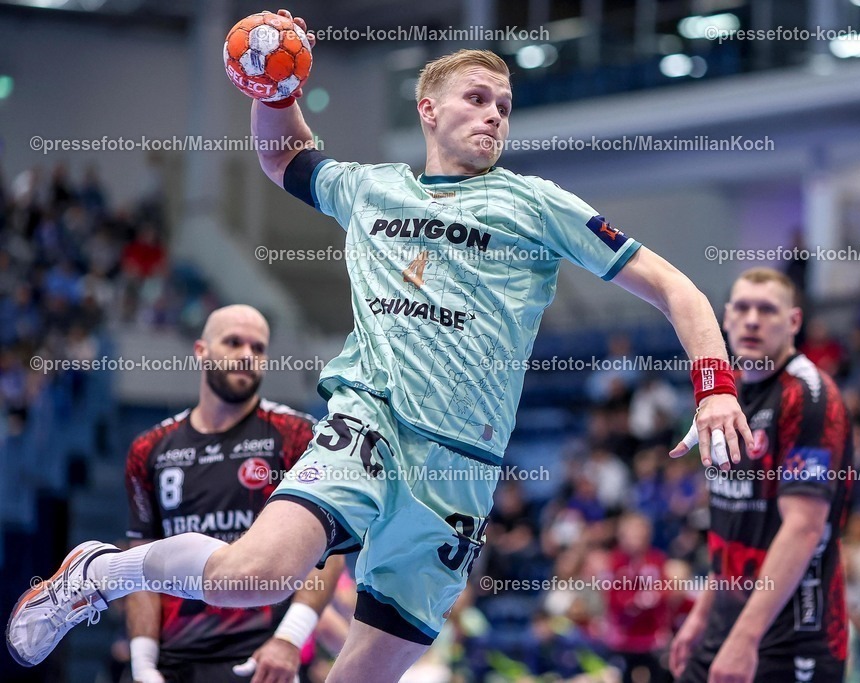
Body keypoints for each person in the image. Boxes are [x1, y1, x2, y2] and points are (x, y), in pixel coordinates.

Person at [8, 12, 752, 683]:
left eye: (504, 106)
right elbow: (283, 157)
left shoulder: (537, 204)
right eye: (476, 98)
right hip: (372, 423)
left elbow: (675, 287)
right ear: (427, 108)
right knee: (256, 574)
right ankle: (98, 574)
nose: (494, 114)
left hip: (460, 475)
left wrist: (714, 382)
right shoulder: (372, 189)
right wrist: (276, 88)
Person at [124, 304, 341, 682]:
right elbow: (139, 564)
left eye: (258, 348)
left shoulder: (298, 437)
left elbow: (328, 553)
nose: (247, 356)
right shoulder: (150, 449)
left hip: (262, 661)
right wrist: (143, 665)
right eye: (234, 342)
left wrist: (289, 640)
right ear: (200, 351)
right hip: (175, 663)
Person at [668, 268, 854, 683]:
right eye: (743, 308)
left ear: (793, 323)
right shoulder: (725, 396)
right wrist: (703, 613)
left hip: (791, 635)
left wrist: (745, 640)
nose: (753, 319)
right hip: (727, 617)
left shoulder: (807, 395)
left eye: (767, 309)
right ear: (727, 319)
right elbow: (733, 522)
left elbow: (804, 528)